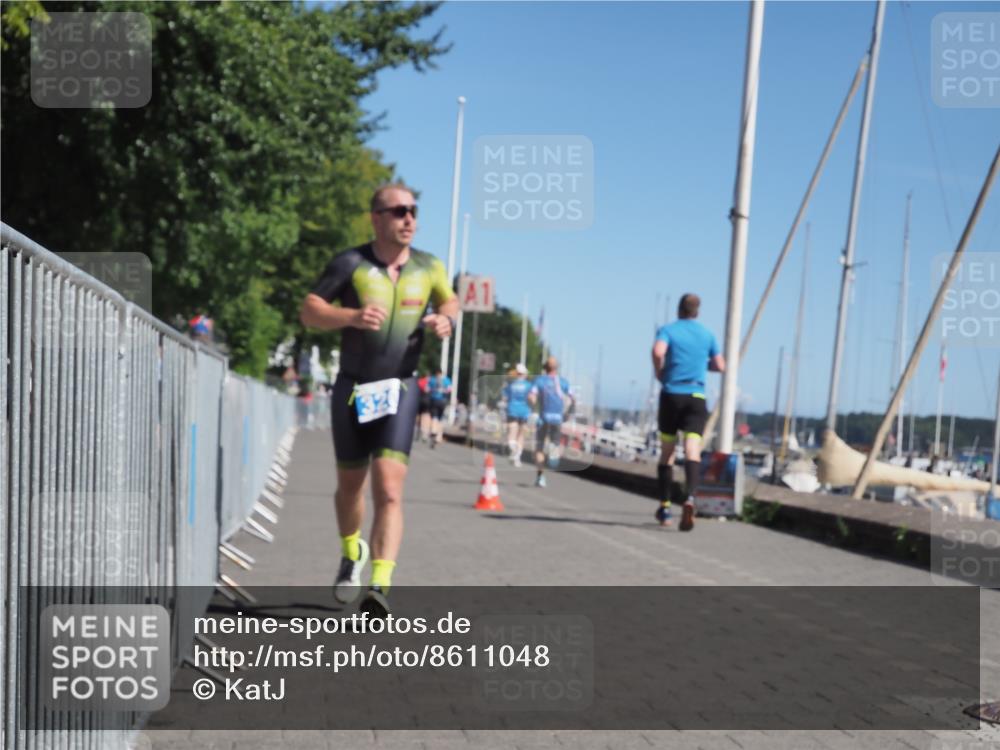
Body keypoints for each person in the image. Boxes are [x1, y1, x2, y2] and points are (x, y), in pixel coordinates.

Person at [300, 183, 459, 617]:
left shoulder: (429, 266)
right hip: (353, 389)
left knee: (389, 487)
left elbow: (451, 302)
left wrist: (445, 321)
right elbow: (310, 310)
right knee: (350, 488)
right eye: (398, 211)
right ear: (377, 218)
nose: (409, 219)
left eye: (413, 211)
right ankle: (353, 551)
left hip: (400, 388)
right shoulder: (350, 263)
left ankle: (380, 585)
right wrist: (349, 316)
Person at [651, 293, 725, 531]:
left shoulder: (669, 330)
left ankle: (664, 507)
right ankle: (690, 498)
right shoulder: (707, 334)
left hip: (672, 395)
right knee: (692, 450)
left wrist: (660, 372)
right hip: (696, 397)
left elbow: (658, 351)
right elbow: (720, 365)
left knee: (668, 452)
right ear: (697, 311)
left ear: (679, 309)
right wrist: (702, 364)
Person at [528, 357, 574, 488]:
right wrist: (568, 413)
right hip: (557, 419)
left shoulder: (539, 381)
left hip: (543, 419)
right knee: (555, 443)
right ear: (557, 368)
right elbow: (573, 398)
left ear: (545, 368)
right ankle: (554, 451)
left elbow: (531, 396)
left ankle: (540, 477)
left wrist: (533, 408)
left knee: (539, 448)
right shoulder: (563, 382)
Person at [502, 363, 532, 466]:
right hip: (524, 410)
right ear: (524, 374)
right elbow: (532, 398)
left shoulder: (510, 384)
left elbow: (504, 397)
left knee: (511, 433)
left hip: (512, 409)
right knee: (521, 435)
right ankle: (517, 457)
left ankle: (513, 451)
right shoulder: (528, 385)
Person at [427, 368, 452, 447]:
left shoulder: (432, 380)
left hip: (434, 400)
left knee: (434, 417)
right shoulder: (446, 380)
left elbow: (426, 389)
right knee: (441, 418)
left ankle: (433, 431)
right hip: (443, 401)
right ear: (442, 373)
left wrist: (433, 391)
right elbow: (449, 389)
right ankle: (439, 436)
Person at [416, 373, 432, 442]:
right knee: (426, 416)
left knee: (419, 416)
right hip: (428, 401)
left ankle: (418, 430)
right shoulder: (431, 382)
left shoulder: (420, 381)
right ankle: (424, 432)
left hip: (419, 400)